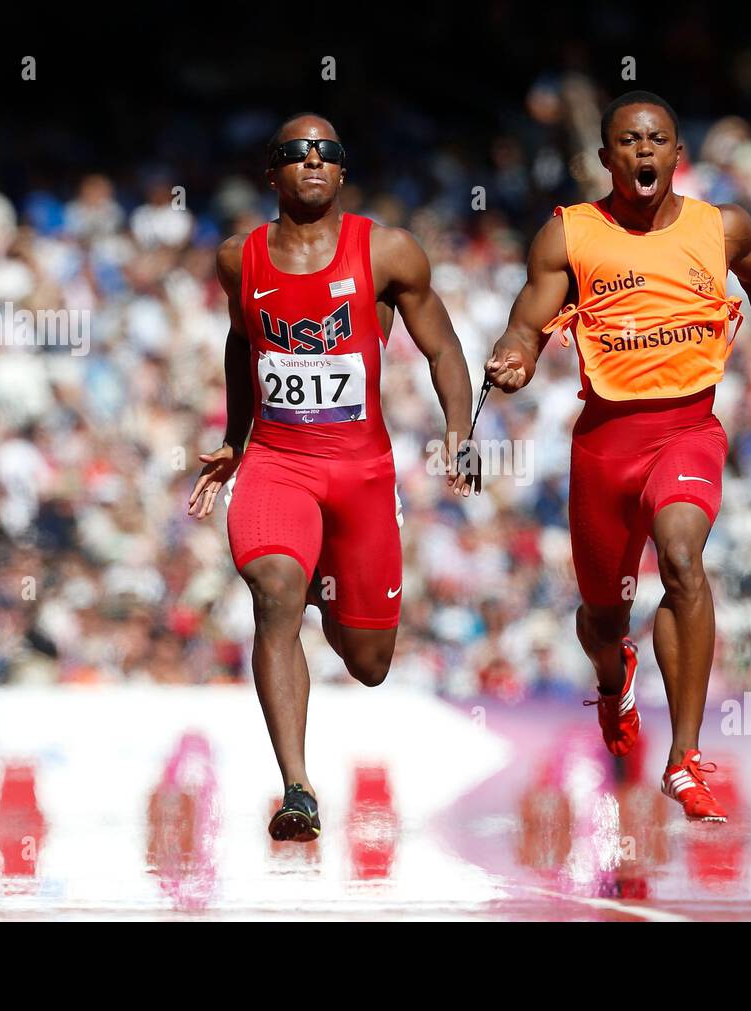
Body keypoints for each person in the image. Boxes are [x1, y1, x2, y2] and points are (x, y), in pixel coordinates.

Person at [485, 91, 751, 821]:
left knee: (681, 558)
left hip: (687, 431)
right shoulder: (570, 234)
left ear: (678, 155)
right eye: (628, 142)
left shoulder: (720, 227)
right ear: (606, 158)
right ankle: (614, 678)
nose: (643, 152)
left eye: (658, 140)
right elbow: (527, 321)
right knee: (604, 620)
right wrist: (515, 356)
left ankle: (684, 757)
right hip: (604, 446)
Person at [189, 114, 473, 841]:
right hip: (278, 467)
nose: (312, 161)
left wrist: (459, 429)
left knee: (370, 661)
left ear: (342, 171)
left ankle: (326, 580)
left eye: (327, 153)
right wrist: (233, 439)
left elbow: (441, 346)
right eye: (294, 153)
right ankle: (297, 787)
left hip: (361, 476)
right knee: (274, 591)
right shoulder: (237, 260)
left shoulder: (387, 251)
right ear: (272, 172)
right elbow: (239, 345)